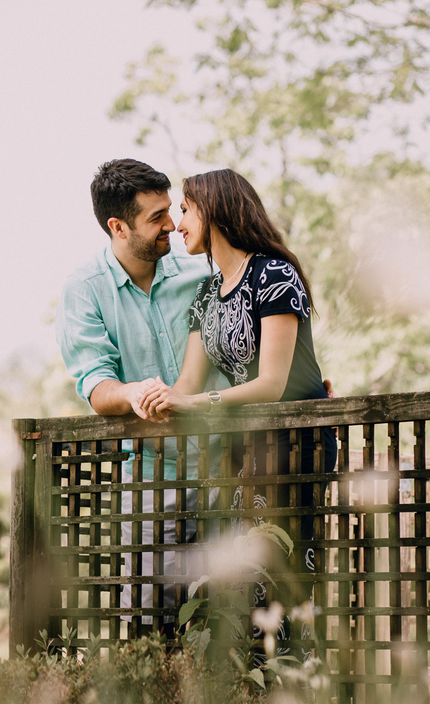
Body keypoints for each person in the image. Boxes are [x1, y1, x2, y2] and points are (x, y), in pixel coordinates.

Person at [138, 168, 337, 653]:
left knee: (282, 571)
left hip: (293, 445)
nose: (178, 223)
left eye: (186, 210)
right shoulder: (206, 294)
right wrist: (155, 397)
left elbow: (272, 383)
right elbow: (188, 382)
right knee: (235, 577)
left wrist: (194, 402)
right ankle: (243, 688)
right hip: (240, 450)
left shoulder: (274, 275)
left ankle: (293, 677)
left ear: (215, 210)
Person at [55, 159, 213, 636]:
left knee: (234, 609)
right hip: (149, 478)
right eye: (156, 217)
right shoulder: (85, 291)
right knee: (148, 618)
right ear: (118, 227)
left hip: (225, 467)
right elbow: (96, 385)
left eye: (170, 210)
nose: (172, 225)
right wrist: (133, 391)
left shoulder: (202, 271)